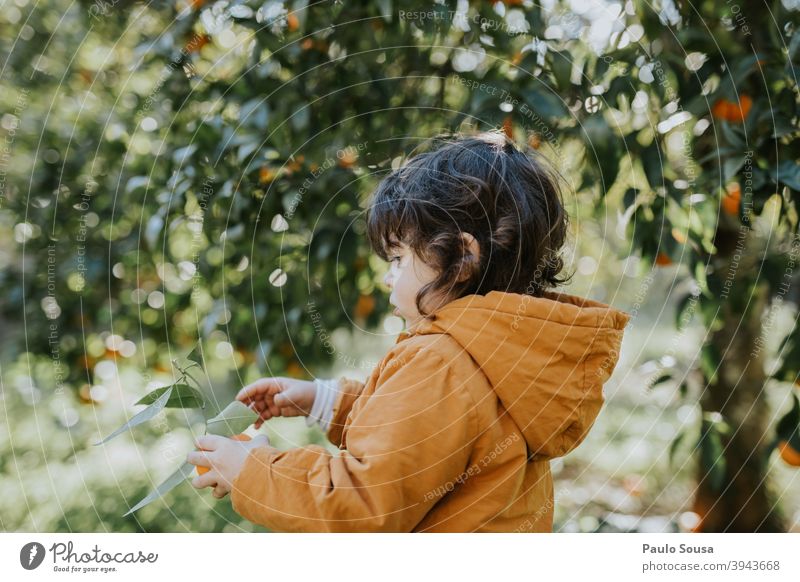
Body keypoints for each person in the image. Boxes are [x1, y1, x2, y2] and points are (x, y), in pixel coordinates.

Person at [187, 129, 631, 532]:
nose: (386, 277)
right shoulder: (506, 351)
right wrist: (323, 401)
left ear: (460, 258)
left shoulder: (440, 360)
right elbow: (428, 437)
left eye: (398, 258)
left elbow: (362, 504)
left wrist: (251, 470)